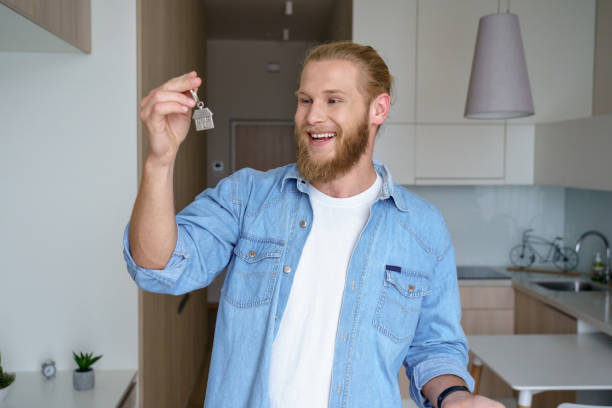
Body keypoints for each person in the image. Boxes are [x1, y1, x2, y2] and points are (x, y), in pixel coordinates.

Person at [124, 42, 503, 408]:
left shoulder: (422, 228)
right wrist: (160, 160)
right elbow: (158, 267)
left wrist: (456, 397)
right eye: (305, 100)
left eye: (333, 100)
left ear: (378, 109)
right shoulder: (247, 198)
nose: (312, 116)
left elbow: (434, 347)